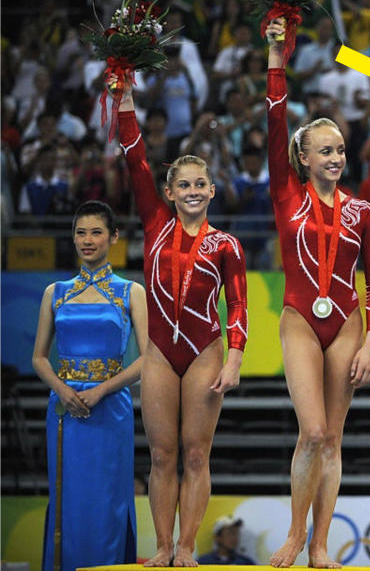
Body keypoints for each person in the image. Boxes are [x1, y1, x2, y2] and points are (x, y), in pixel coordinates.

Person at [262, 19, 370, 567]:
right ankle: (294, 532)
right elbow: (273, 124)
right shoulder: (286, 195)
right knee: (311, 430)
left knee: (333, 438)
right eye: (325, 151)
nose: (336, 158)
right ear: (303, 159)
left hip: (348, 322)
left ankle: (319, 545)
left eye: (340, 149)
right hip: (299, 317)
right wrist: (275, 60)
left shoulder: (362, 211)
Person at [114, 80, 249, 567]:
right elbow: (135, 158)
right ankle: (163, 546)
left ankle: (188, 546)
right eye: (183, 185)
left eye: (199, 184)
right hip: (158, 355)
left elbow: (237, 306)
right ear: (169, 193)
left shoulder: (227, 245)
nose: (192, 191)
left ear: (212, 190)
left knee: (196, 455)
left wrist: (234, 357)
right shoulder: (154, 223)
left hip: (205, 351)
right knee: (162, 456)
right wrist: (124, 98)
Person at [32, 200, 147, 571]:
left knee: (108, 499)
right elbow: (39, 358)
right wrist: (63, 390)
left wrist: (101, 390)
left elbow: (149, 360)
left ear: (113, 237)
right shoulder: (56, 292)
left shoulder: (131, 292)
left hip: (110, 408)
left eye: (96, 232)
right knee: (68, 497)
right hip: (65, 410)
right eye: (80, 232)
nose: (87, 239)